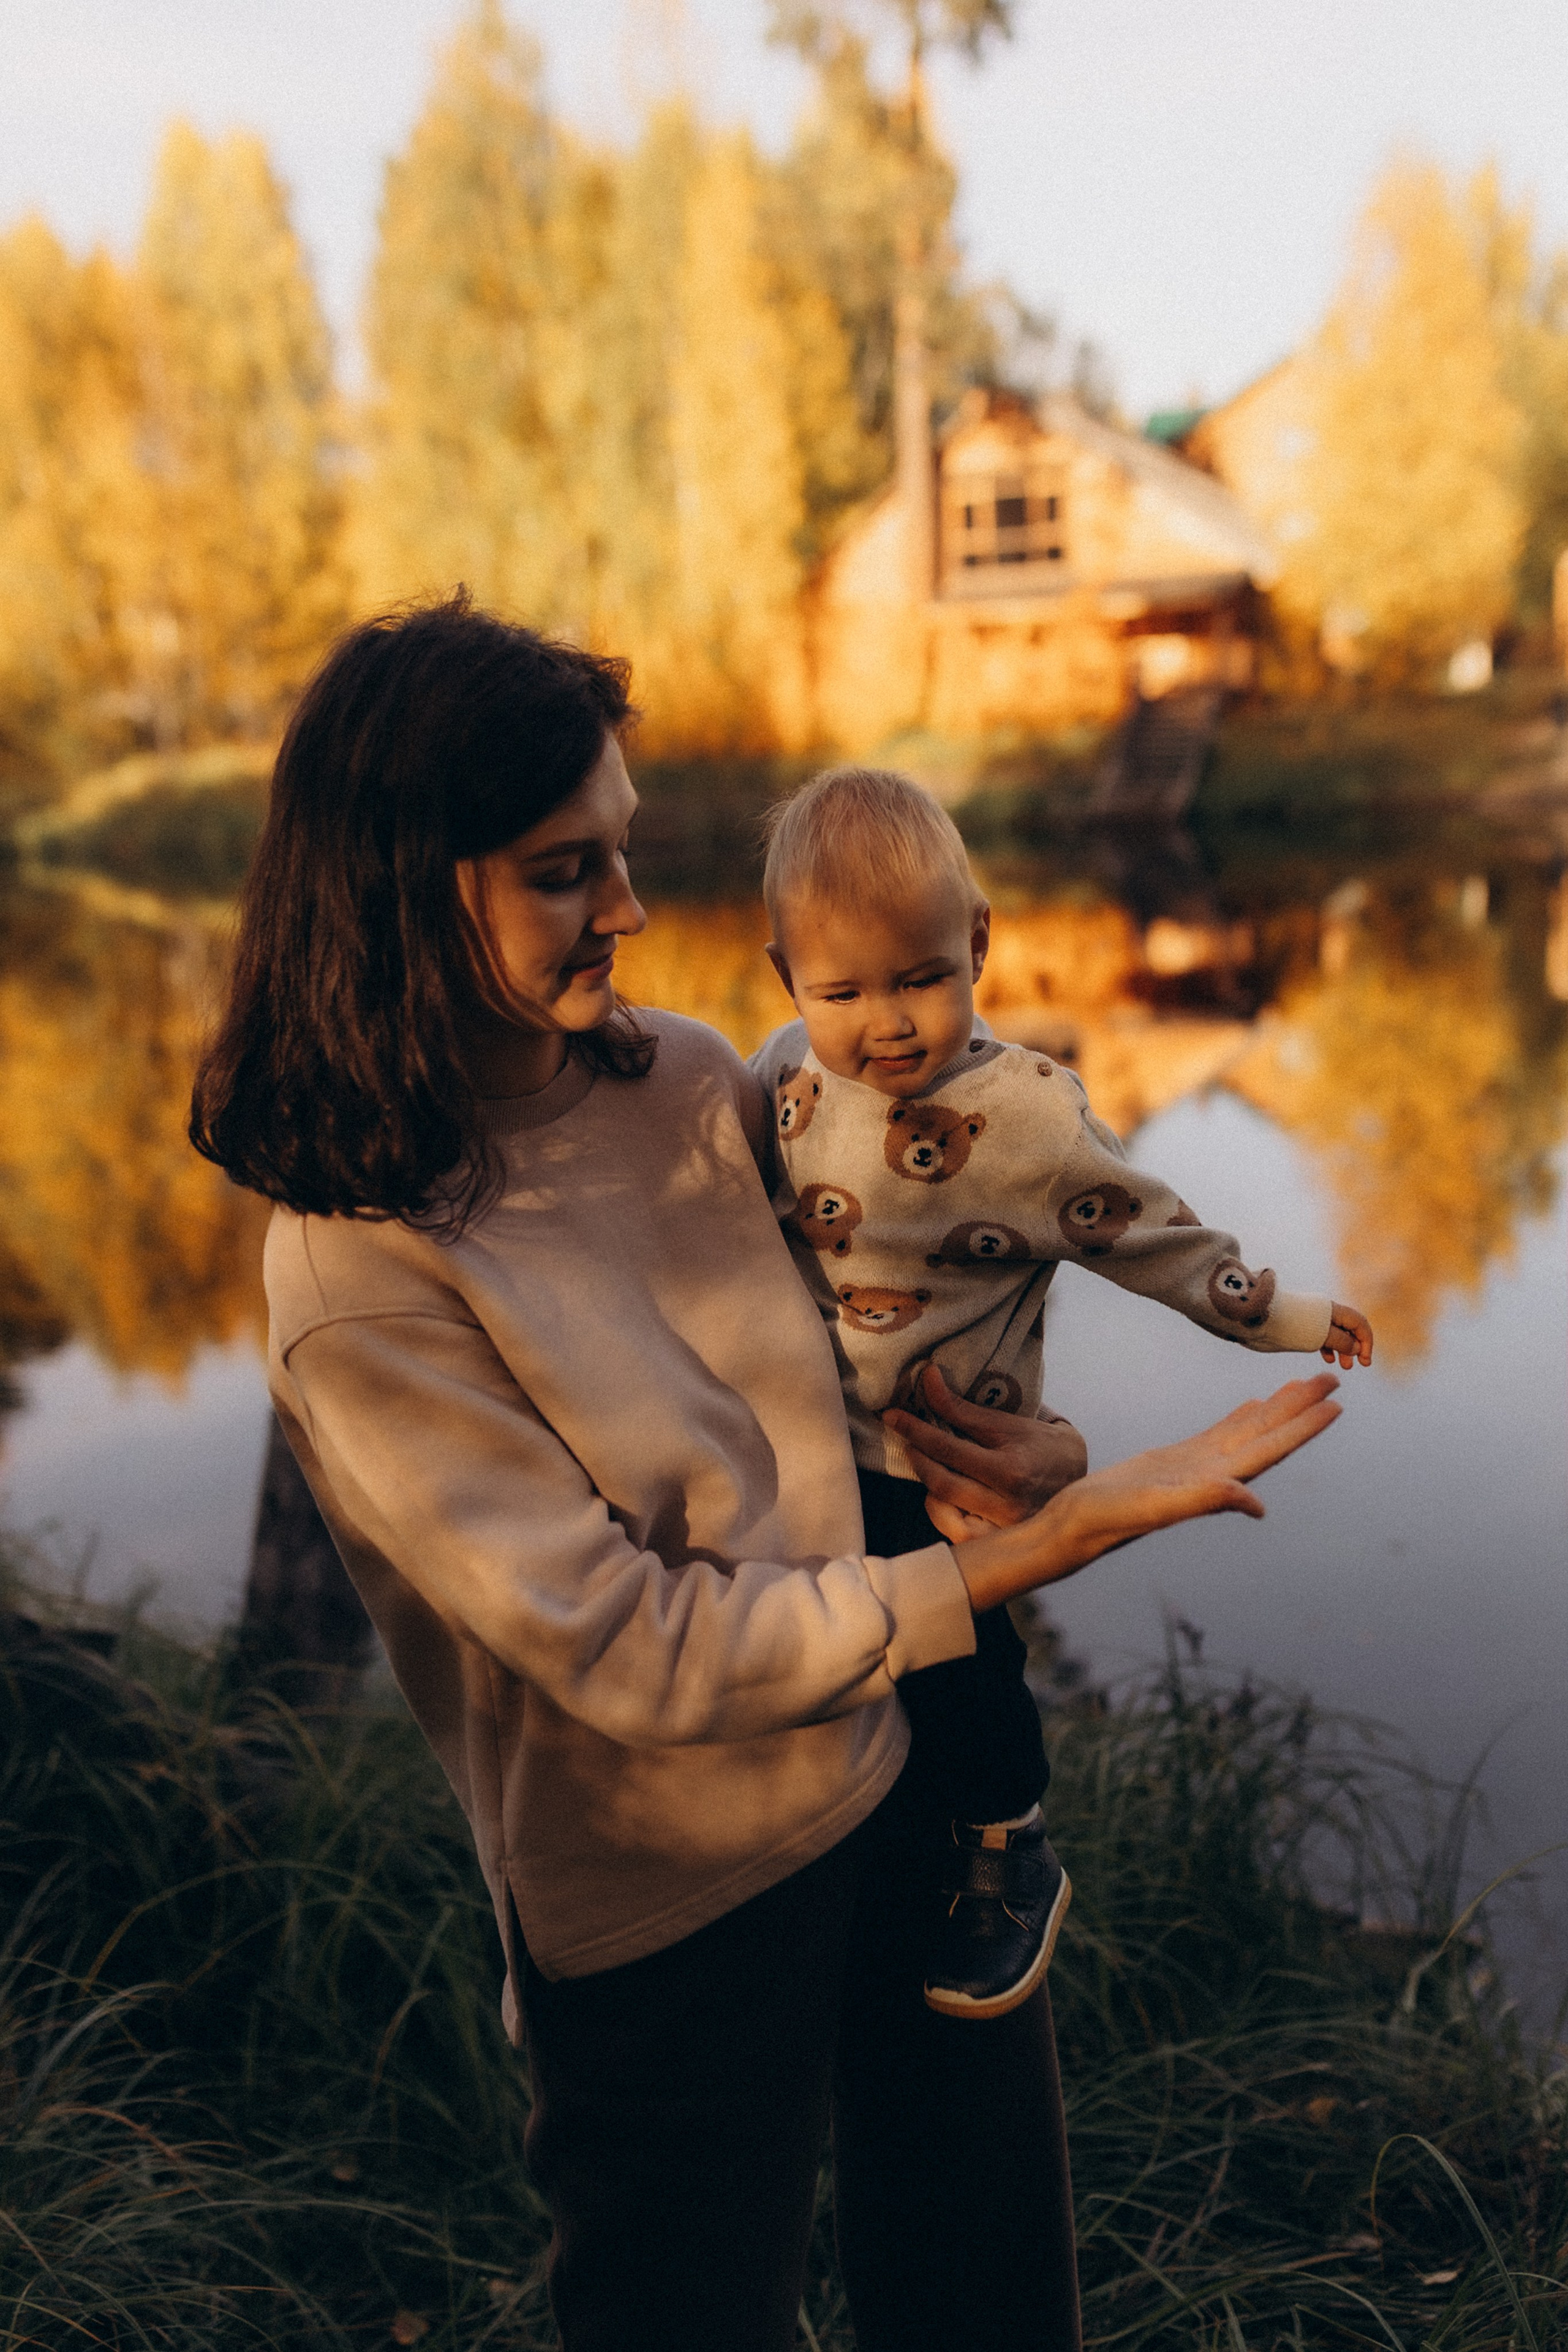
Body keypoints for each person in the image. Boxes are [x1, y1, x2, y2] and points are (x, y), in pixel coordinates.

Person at [190, 597, 1343, 2352]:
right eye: (567, 870)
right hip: (659, 1910)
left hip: (906, 1782)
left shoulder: (699, 1082)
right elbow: (633, 1649)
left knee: (987, 2301)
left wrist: (1037, 1462)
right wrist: (1016, 1569)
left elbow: (890, 1339)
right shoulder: (357, 1273)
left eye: (626, 854)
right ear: (407, 883)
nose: (634, 913)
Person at [752, 766, 1374, 2023]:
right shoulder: (774, 1084)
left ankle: (1005, 1840)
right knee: (844, 1667)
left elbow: (1149, 1237)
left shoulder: (1024, 1116)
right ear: (785, 981)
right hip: (807, 1458)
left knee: (967, 1666)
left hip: (948, 1470)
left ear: (977, 941)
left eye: (921, 977)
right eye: (842, 991)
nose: (886, 1023)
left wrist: (1285, 1317)